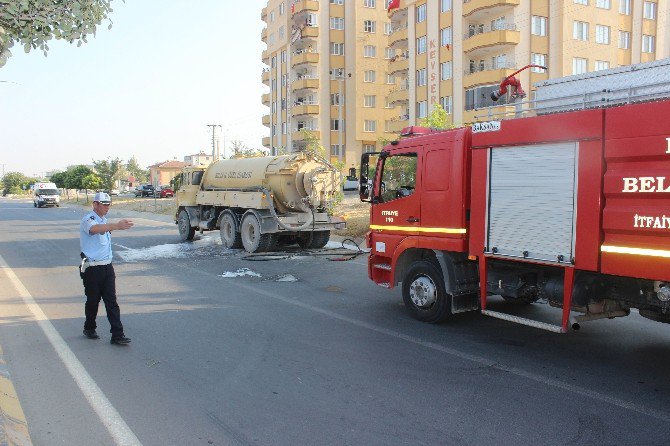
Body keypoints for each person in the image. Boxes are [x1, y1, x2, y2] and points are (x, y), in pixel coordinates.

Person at [79, 192, 134, 345]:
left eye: (108, 204)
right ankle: (89, 327)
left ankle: (117, 334)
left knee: (111, 302)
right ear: (95, 204)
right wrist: (116, 226)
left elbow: (103, 228)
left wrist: (113, 226)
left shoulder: (105, 221)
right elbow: (94, 229)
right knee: (93, 301)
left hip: (107, 267)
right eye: (104, 204)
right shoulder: (88, 220)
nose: (107, 207)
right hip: (92, 268)